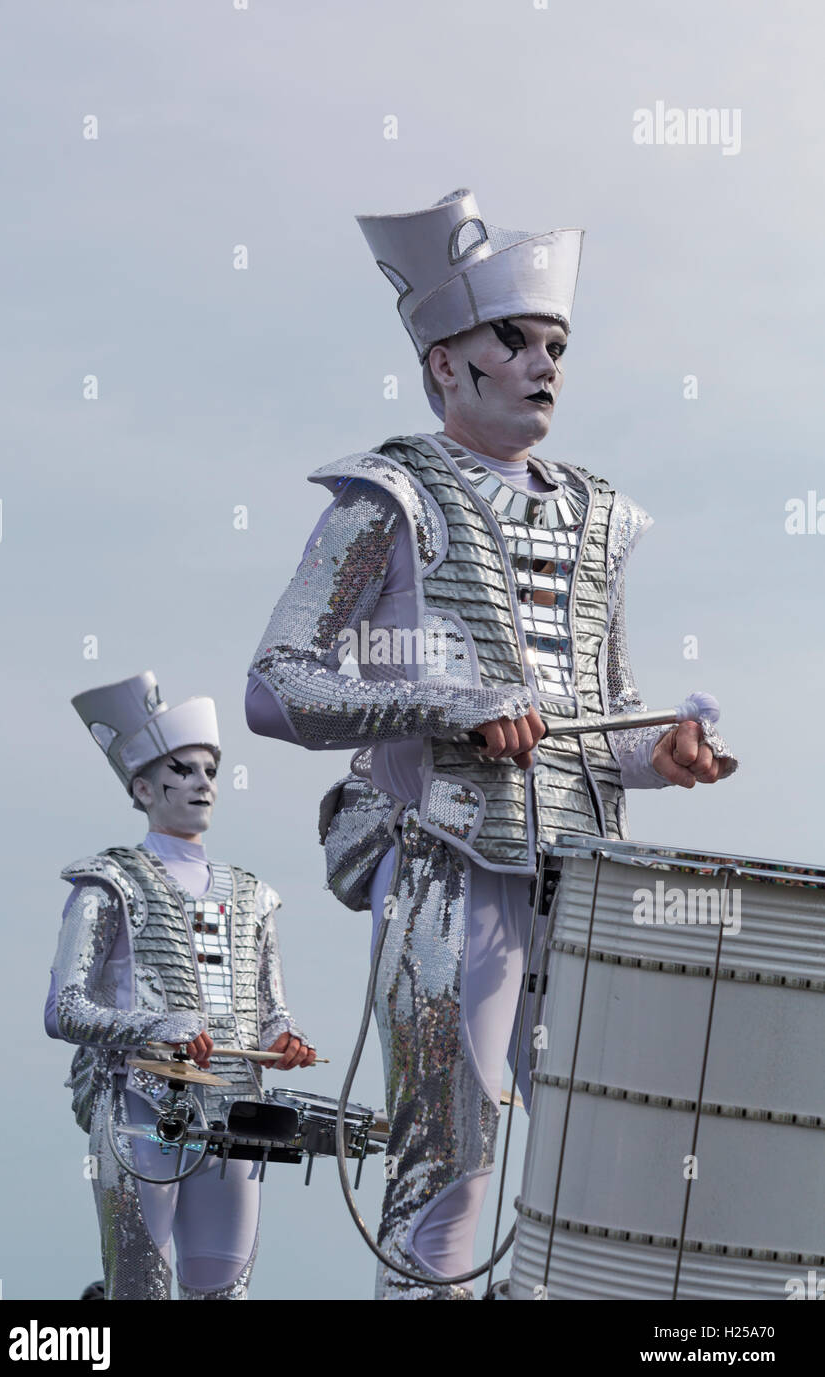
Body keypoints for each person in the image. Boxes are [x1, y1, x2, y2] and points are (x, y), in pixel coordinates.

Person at [244, 189, 737, 1298]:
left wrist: (658, 754)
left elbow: (592, 717)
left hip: (579, 872)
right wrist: (444, 703)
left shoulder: (599, 515)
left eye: (554, 343)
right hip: (440, 864)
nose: (539, 362)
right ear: (441, 369)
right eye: (510, 340)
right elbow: (274, 690)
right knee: (451, 1166)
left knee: (602, 1151)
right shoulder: (390, 497)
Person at [46, 670, 315, 1299]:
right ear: (142, 787)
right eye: (183, 770)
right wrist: (156, 1027)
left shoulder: (253, 895)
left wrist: (286, 1035)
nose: (202, 784)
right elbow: (64, 1008)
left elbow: (272, 1007)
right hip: (141, 1105)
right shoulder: (108, 881)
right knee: (138, 1283)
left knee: (224, 1286)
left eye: (210, 771)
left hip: (237, 1108)